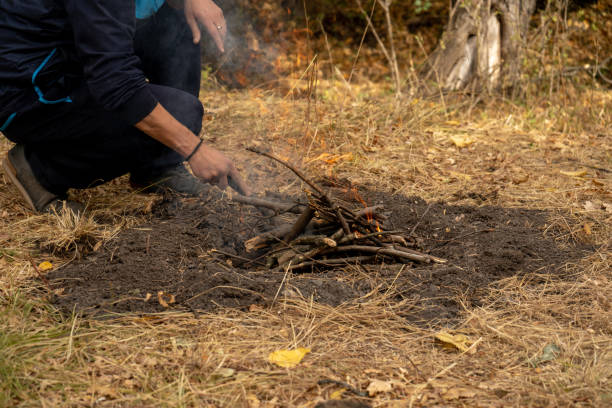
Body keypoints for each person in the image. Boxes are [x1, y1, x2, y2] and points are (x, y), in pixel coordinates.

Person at [0, 0, 250, 214]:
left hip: (73, 48)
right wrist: (194, 149)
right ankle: (41, 170)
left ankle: (157, 166)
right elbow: (116, 82)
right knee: (183, 114)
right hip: (31, 89)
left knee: (179, 16)